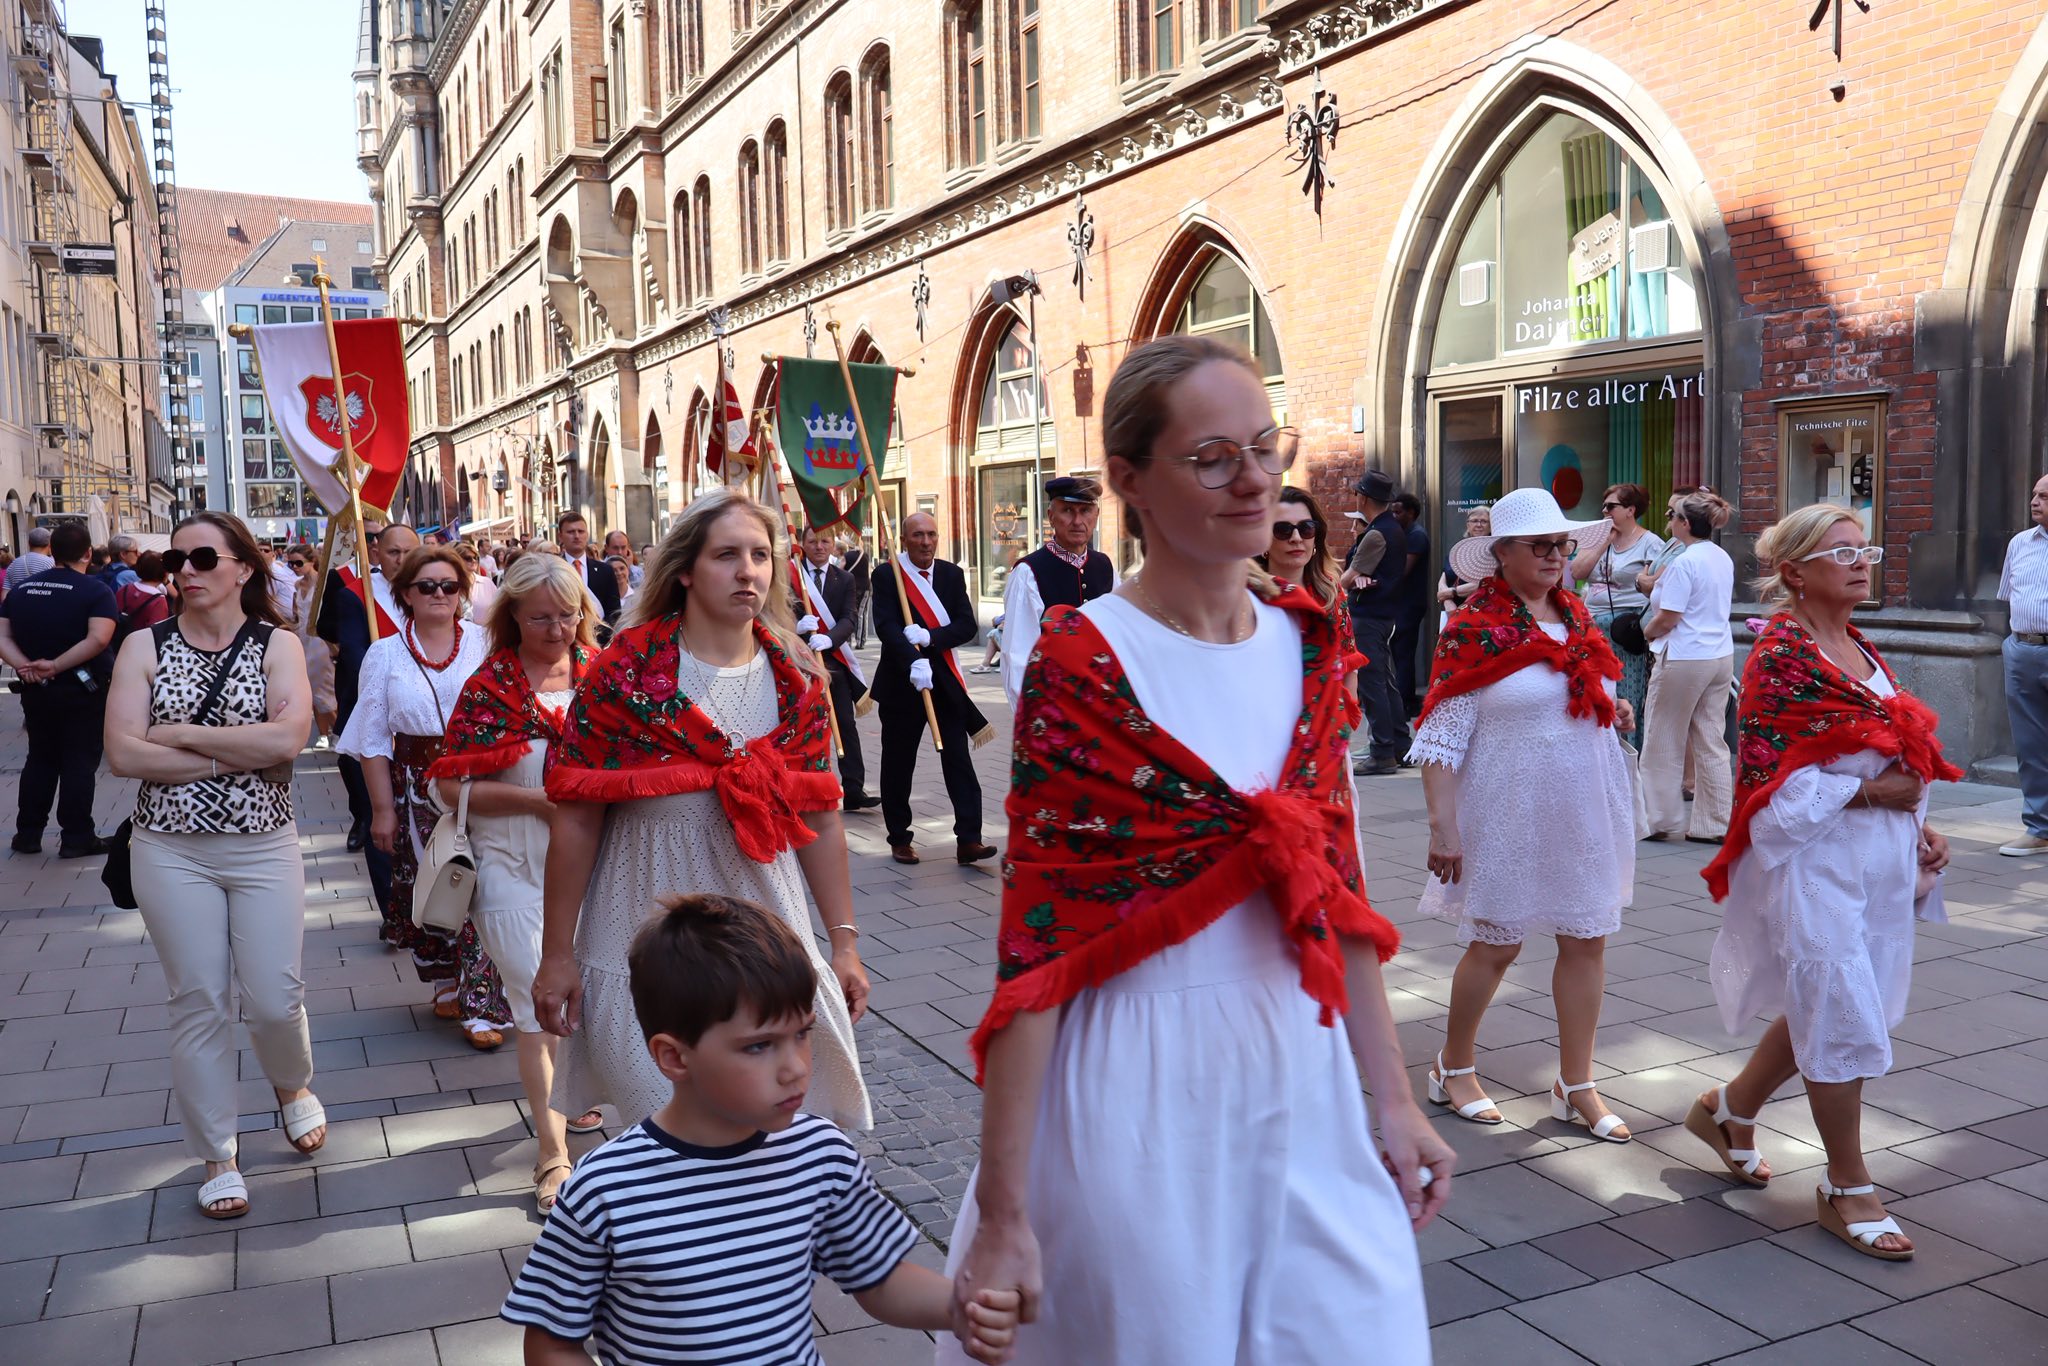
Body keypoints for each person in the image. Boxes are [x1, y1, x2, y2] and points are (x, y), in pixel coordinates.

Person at [943, 335, 1445, 1365]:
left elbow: (1337, 891)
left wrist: (1393, 1100)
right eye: (1211, 458)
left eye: (1262, 446)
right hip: (1137, 1087)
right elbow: (1036, 945)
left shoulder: (1311, 642)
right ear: (1128, 480)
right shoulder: (1084, 661)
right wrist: (1003, 1209)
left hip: (1301, 1073)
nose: (1252, 478)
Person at [504, 896, 1020, 1366]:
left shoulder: (821, 1155)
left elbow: (880, 1278)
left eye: (802, 1034)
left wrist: (961, 1306)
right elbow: (551, 1340)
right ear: (674, 1056)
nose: (795, 1067)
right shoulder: (606, 1189)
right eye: (759, 1046)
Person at [532, 488, 874, 1133]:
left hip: (767, 936)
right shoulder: (623, 673)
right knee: (661, 1129)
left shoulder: (797, 676)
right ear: (686, 569)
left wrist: (844, 944)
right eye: (726, 555)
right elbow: (575, 819)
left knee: (772, 1132)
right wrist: (557, 954)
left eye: (760, 555)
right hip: (640, 934)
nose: (748, 571)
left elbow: (822, 817)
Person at [1693, 505, 1957, 1261]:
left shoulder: (1858, 644)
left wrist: (1919, 826)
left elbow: (1889, 753)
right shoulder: (1779, 656)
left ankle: (1729, 1109)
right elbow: (1767, 787)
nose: (1861, 561)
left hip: (1874, 862)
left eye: (1864, 548)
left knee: (1834, 999)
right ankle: (1847, 1186)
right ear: (1795, 573)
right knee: (1839, 1010)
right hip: (1813, 864)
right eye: (1841, 552)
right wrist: (1875, 797)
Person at [100, 510, 323, 1218]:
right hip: (169, 849)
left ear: (243, 568)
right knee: (198, 999)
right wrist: (234, 754)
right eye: (176, 560)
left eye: (202, 558)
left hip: (263, 844)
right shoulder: (144, 644)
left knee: (274, 999)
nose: (186, 572)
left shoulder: (276, 644)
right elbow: (123, 753)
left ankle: (292, 1084)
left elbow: (287, 741)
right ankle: (218, 1154)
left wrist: (181, 737)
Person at [1411, 487, 1637, 1142]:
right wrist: (1442, 827)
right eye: (1539, 545)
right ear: (1501, 554)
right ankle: (1453, 1066)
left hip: (1582, 805)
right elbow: (1440, 738)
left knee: (1586, 939)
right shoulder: (1471, 630)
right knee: (1497, 943)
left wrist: (1612, 707)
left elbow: (1583, 691)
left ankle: (1577, 1083)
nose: (1554, 555)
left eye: (1560, 544)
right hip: (1508, 807)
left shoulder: (1577, 617)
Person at [429, 552, 607, 1210]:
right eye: (541, 619)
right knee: (537, 1006)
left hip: (594, 869)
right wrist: (535, 802)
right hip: (509, 865)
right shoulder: (489, 687)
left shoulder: (604, 678)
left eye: (568, 615)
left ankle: (573, 1093)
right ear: (512, 618)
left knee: (590, 1000)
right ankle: (552, 1154)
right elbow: (449, 787)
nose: (557, 630)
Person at [336, 542, 514, 1050]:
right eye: (427, 586)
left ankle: (482, 1005)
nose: (439, 594)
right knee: (438, 883)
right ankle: (445, 979)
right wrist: (382, 811)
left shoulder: (488, 642)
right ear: (405, 594)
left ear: (462, 592)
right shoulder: (384, 653)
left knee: (487, 887)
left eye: (449, 586)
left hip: (484, 780)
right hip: (415, 787)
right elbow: (373, 739)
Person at [870, 511, 997, 866]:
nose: (926, 542)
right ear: (904, 540)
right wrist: (913, 660)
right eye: (918, 535)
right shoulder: (888, 575)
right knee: (898, 763)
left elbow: (966, 625)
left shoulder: (952, 574)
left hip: (944, 684)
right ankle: (899, 837)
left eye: (931, 534)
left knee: (958, 759)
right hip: (902, 682)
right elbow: (886, 626)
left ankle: (969, 839)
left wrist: (930, 638)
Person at [0, 520, 116, 857]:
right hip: (82, 688)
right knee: (79, 760)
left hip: (36, 689)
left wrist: (25, 666)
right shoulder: (96, 591)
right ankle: (77, 836)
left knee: (40, 758)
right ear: (88, 553)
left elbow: (3, 636)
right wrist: (55, 665)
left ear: (52, 551)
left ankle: (28, 833)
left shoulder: (23, 590)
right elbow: (98, 639)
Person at [1641, 487, 1737, 842]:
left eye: (1672, 516)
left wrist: (1648, 632)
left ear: (1684, 522)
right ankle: (1715, 823)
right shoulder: (1720, 556)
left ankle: (1659, 819)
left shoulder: (1685, 562)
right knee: (1711, 738)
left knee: (1662, 736)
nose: (1669, 521)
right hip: (1719, 654)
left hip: (1684, 655)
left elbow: (1670, 616)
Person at [318, 518, 400, 857]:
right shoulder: (347, 583)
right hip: (363, 685)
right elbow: (329, 629)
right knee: (356, 760)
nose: (372, 542)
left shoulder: (426, 588)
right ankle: (363, 818)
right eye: (368, 537)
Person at [998, 476, 1119, 703]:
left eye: (1085, 511)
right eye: (1068, 511)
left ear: (1096, 516)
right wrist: (1031, 714)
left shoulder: (1105, 566)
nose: (1077, 521)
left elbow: (1119, 636)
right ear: (1051, 516)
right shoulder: (1029, 572)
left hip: (1101, 702)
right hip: (1054, 704)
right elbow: (1018, 656)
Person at [1571, 483, 1664, 749]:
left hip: (1625, 630)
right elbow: (1577, 572)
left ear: (1630, 510)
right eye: (1603, 505)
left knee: (1627, 690)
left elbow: (1653, 586)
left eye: (1611, 506)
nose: (1604, 511)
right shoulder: (1598, 538)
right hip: (1591, 626)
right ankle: (1599, 747)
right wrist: (1604, 541)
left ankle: (1628, 750)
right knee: (1595, 687)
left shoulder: (1650, 543)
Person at [793, 524, 878, 812]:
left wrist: (828, 639)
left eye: (824, 541)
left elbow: (849, 618)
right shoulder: (791, 577)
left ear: (833, 545)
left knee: (845, 724)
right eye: (813, 541)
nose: (819, 546)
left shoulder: (844, 578)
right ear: (802, 544)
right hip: (800, 663)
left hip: (835, 661)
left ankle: (853, 788)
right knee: (804, 726)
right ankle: (806, 786)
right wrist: (796, 627)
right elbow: (774, 615)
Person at [1341, 468, 1412, 775]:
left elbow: (1347, 579)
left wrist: (1343, 584)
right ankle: (1399, 745)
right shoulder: (1391, 528)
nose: (1356, 497)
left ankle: (1382, 751)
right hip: (1383, 614)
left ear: (1364, 498)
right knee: (1384, 681)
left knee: (1372, 685)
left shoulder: (1375, 534)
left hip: (1368, 617)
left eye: (1358, 493)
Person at [1996, 473, 2048, 855]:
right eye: (2034, 494)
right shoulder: (2019, 543)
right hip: (2022, 649)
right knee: (2031, 745)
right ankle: (2040, 827)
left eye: (2044, 496)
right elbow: (2008, 596)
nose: (2034, 501)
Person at [1257, 485, 1342, 611]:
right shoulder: (1249, 598)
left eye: (1306, 528)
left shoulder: (1331, 591)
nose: (1296, 538)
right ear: (1263, 539)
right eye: (1283, 529)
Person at [287, 548, 338, 749]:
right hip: (303, 641)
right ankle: (325, 734)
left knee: (325, 689)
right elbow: (296, 615)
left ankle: (339, 731)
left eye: (298, 563)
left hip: (321, 642)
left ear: (311, 561)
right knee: (311, 690)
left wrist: (334, 644)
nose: (294, 567)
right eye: (291, 563)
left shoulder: (323, 583)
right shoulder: (297, 585)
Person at [1391, 492, 1430, 715]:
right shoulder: (1406, 533)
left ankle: (1404, 704)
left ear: (1411, 513)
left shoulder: (1417, 536)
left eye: (1398, 512)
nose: (1394, 516)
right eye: (1393, 512)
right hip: (1402, 604)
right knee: (1399, 653)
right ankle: (1407, 699)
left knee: (1403, 653)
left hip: (1409, 605)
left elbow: (1402, 570)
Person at [556, 512, 621, 623]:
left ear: (587, 535)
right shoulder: (554, 569)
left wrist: (603, 632)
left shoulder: (605, 571)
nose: (577, 536)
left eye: (581, 531)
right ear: (560, 536)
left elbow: (614, 612)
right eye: (571, 532)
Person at [1436, 506, 1491, 623]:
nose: (1479, 525)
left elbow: (1486, 582)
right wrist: (1448, 601)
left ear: (1491, 525)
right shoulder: (1459, 549)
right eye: (1474, 521)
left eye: (1484, 521)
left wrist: (1452, 592)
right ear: (1468, 525)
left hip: (1481, 613)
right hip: (1452, 611)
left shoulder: (1495, 551)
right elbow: (1443, 578)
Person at [115, 551, 176, 641]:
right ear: (164, 573)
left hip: (119, 640)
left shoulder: (125, 588)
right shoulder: (158, 600)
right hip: (141, 643)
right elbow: (156, 633)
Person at [840, 535, 872, 648]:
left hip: (851, 587)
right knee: (862, 614)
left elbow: (840, 570)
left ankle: (848, 641)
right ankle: (861, 641)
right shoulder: (865, 556)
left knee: (849, 613)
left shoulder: (847, 556)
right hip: (865, 587)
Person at [4, 526, 52, 594]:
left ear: (29, 543)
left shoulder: (13, 565)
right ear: (49, 544)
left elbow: (4, 594)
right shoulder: (51, 564)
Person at [458, 542, 498, 617]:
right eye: (468, 558)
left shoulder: (487, 582)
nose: (473, 561)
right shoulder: (451, 584)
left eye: (475, 557)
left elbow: (499, 608)